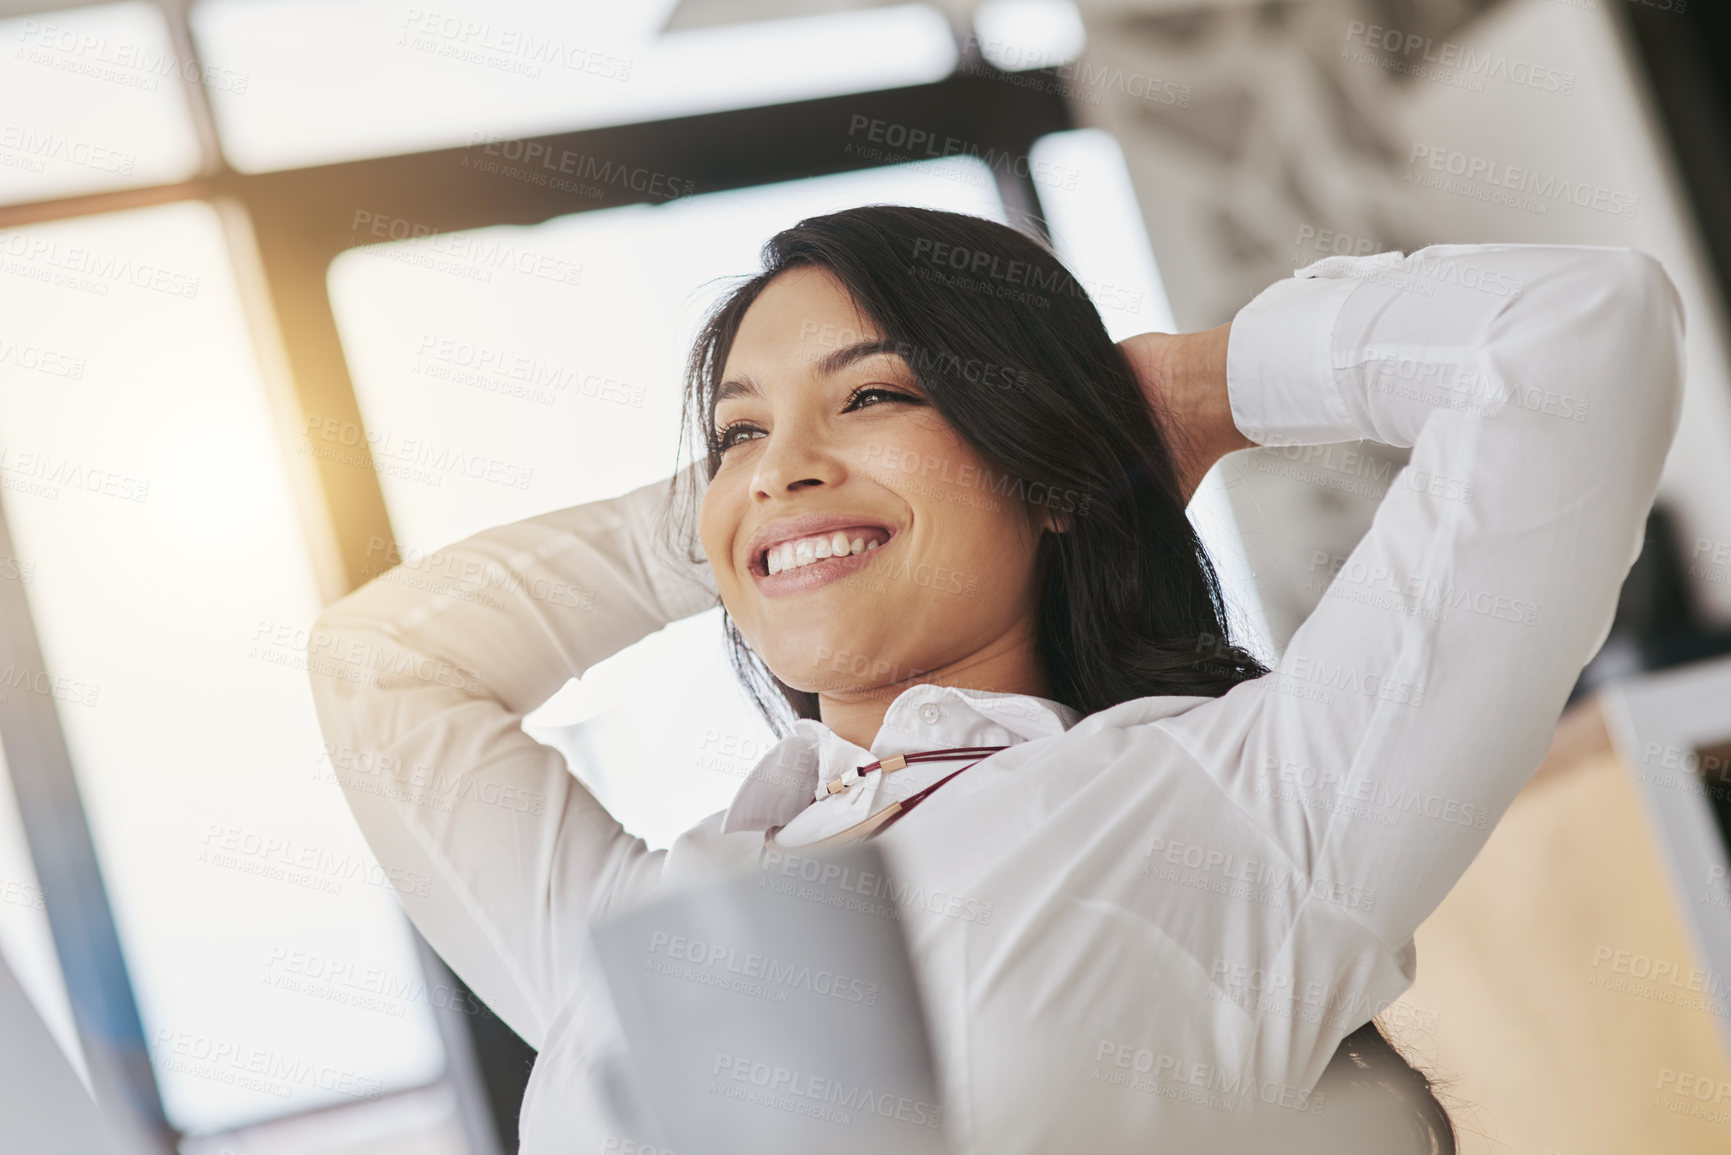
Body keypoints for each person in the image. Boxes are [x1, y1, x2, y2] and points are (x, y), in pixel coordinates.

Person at [306, 206, 1684, 1152]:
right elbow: (384, 666)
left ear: (1045, 470)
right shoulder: (657, 907)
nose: (781, 456)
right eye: (736, 427)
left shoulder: (1241, 806)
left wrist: (1187, 395)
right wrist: (748, 521)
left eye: (878, 394)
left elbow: (1575, 331)